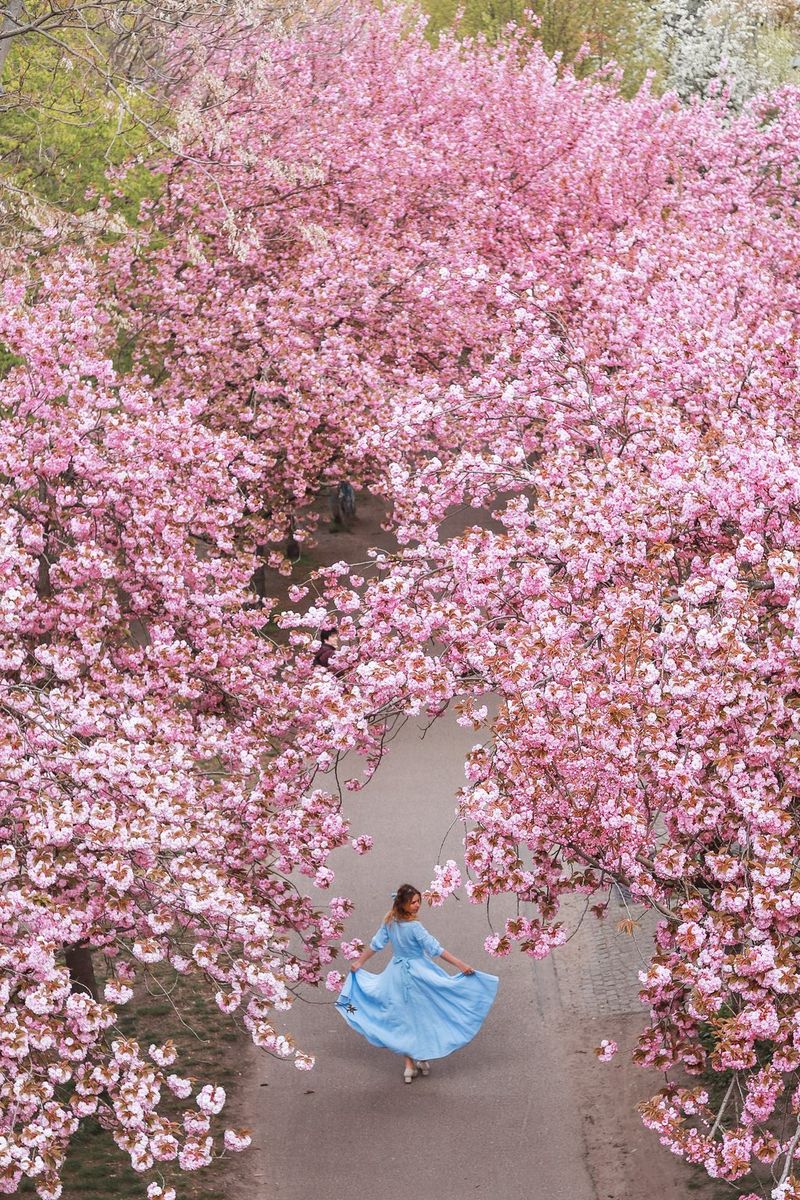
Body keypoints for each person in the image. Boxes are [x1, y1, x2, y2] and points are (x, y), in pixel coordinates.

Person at [335, 883, 499, 1083]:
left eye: (418, 901)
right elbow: (436, 949)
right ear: (403, 904)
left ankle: (409, 1065)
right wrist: (460, 964)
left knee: (404, 1018)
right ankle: (418, 1058)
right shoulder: (415, 927)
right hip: (418, 975)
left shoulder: (390, 923)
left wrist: (360, 962)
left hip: (395, 975)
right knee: (423, 1015)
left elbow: (376, 945)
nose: (417, 905)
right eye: (413, 902)